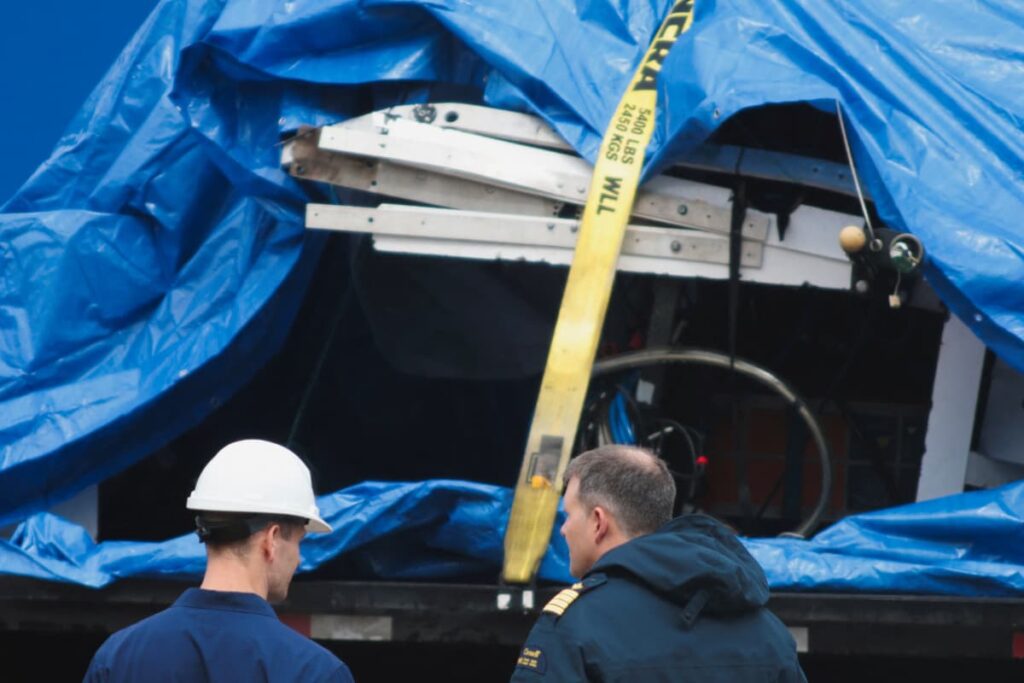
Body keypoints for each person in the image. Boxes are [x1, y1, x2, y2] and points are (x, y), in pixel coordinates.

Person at [511, 444, 806, 682]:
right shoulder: (768, 630)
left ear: (599, 522)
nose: (563, 529)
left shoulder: (576, 624)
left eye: (569, 515)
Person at [84, 439, 354, 682]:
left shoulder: (117, 658)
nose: (298, 559)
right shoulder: (316, 672)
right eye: (299, 541)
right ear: (271, 539)